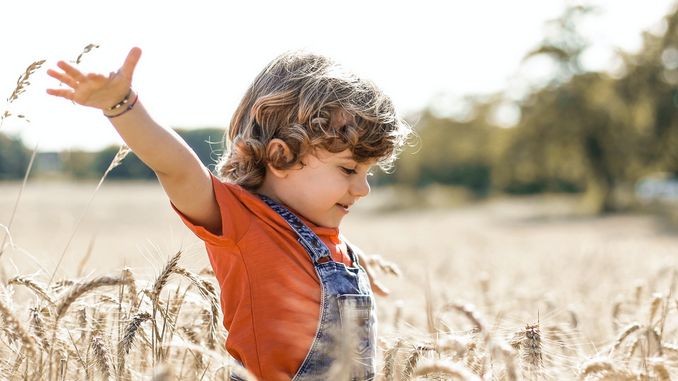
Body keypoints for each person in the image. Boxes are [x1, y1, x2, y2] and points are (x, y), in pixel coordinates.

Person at [46, 47, 412, 381]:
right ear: (281, 156)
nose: (363, 189)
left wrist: (356, 262)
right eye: (349, 170)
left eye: (368, 173)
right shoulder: (243, 223)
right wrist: (122, 104)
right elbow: (178, 169)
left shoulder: (328, 238)